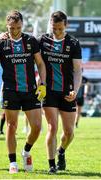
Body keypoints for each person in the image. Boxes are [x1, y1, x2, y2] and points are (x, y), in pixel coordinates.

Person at [0, 10, 46, 174]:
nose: (15, 31)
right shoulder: (0, 44)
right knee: (11, 126)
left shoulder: (31, 41)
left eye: (18, 27)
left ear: (22, 25)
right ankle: (13, 162)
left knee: (37, 127)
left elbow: (40, 63)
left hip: (30, 90)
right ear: (7, 26)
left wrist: (43, 83)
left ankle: (26, 151)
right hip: (10, 90)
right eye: (12, 28)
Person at [38, 11, 82, 173]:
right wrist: (5, 35)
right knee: (52, 127)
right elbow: (23, 41)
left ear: (66, 26)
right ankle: (51, 165)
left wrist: (75, 91)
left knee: (69, 132)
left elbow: (78, 70)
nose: (56, 32)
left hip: (67, 92)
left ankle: (61, 151)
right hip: (49, 91)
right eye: (54, 28)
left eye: (59, 29)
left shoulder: (73, 43)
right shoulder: (43, 40)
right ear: (50, 25)